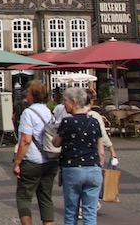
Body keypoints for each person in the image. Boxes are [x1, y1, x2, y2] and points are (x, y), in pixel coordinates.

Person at [52, 86, 104, 225]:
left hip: (73, 168)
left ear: (74, 102)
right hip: (93, 168)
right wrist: (100, 166)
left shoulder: (68, 122)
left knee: (71, 211)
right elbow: (101, 149)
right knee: (90, 212)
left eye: (65, 101)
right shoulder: (94, 122)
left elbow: (56, 143)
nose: (64, 104)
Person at [12, 80, 58, 225]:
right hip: (50, 160)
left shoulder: (28, 112)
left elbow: (26, 140)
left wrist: (17, 162)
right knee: (45, 197)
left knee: (24, 197)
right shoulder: (49, 112)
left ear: (33, 95)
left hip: (32, 160)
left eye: (28, 92)